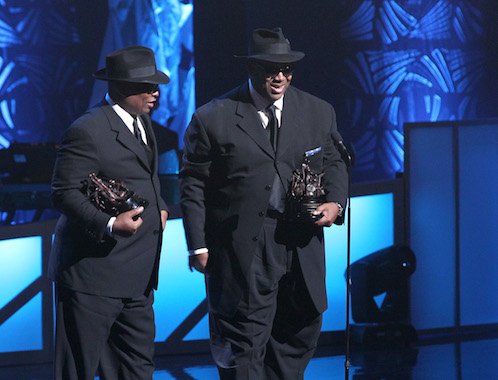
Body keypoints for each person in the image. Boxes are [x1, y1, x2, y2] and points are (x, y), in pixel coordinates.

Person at [179, 28, 348, 379]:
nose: (281, 77)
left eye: (287, 70)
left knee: (297, 332)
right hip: (243, 243)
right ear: (253, 69)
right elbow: (194, 184)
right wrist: (197, 245)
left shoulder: (318, 111)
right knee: (243, 341)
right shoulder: (213, 117)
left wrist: (336, 203)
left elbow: (334, 162)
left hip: (300, 239)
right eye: (272, 69)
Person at [49, 45, 170, 380]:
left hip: (138, 277)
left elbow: (144, 176)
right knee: (78, 369)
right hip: (93, 276)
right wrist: (109, 222)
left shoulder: (143, 123)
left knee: (137, 367)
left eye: (155, 85)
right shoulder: (87, 129)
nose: (155, 93)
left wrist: (160, 207)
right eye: (147, 86)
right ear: (119, 87)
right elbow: (63, 193)